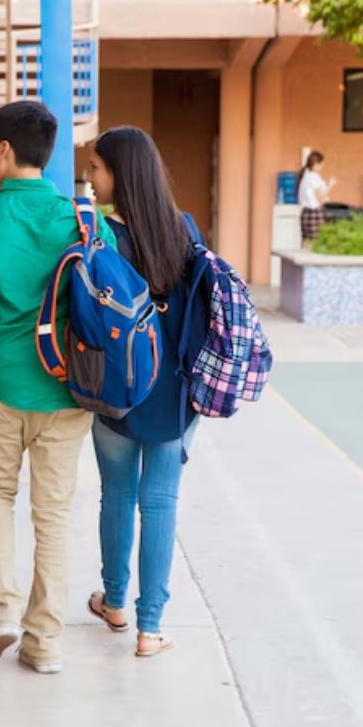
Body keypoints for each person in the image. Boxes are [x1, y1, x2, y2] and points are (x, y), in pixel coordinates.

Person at [0, 101, 111, 675]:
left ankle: (1, 614)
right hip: (68, 392)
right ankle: (44, 642)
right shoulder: (86, 221)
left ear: (4, 151)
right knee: (54, 515)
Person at [84, 125, 204, 658]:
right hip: (174, 392)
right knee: (161, 502)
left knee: (117, 494)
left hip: (117, 390)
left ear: (120, 174)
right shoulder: (185, 229)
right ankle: (149, 627)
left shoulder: (99, 236)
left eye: (97, 168)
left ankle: (113, 601)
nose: (90, 178)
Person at [297, 150, 334, 244]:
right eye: (321, 164)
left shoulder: (305, 174)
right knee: (316, 241)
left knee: (306, 240)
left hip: (305, 211)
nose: (322, 167)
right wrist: (330, 185)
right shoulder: (314, 177)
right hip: (314, 211)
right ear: (316, 164)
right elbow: (320, 197)